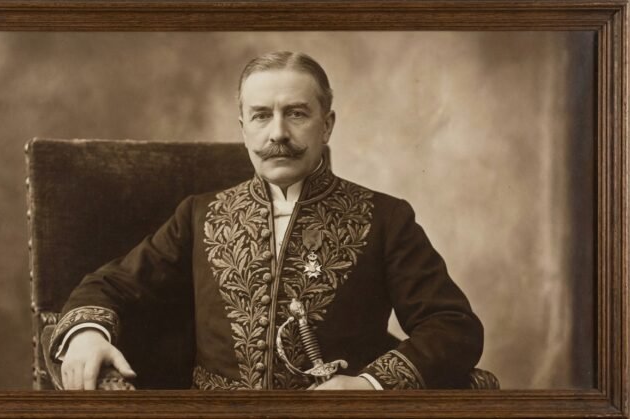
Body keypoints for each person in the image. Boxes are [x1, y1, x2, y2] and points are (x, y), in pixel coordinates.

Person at [49, 51, 484, 391]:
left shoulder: (385, 217)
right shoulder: (201, 215)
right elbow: (113, 285)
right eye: (261, 115)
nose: (277, 133)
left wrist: (369, 384)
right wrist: (87, 335)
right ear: (243, 128)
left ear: (327, 125)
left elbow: (452, 326)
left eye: (296, 113)